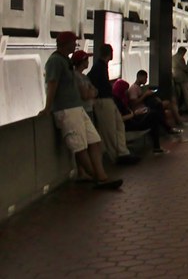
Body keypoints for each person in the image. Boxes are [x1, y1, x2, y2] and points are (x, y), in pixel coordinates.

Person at [38, 32, 122, 190]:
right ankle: (98, 178)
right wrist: (47, 108)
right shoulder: (55, 61)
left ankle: (100, 175)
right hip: (66, 109)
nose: (75, 44)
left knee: (95, 140)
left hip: (76, 107)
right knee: (79, 145)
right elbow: (52, 84)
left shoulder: (65, 60)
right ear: (66, 43)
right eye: (73, 42)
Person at [87, 43, 139, 165]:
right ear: (110, 53)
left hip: (107, 100)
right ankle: (117, 156)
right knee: (110, 130)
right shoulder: (99, 67)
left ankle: (123, 152)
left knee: (118, 125)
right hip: (103, 101)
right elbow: (91, 80)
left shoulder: (100, 67)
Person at [172, 46, 188, 113]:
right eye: (184, 53)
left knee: (180, 94)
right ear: (182, 52)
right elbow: (185, 69)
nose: (184, 54)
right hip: (182, 78)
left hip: (175, 77)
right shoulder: (180, 58)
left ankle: (182, 107)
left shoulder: (173, 57)